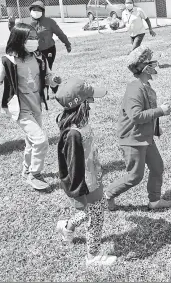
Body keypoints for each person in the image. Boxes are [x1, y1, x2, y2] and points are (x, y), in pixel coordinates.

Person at [0, 23, 61, 190]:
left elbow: (47, 76)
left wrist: (53, 80)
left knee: (32, 141)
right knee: (40, 140)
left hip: (36, 105)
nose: (34, 41)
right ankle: (35, 174)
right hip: (19, 108)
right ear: (18, 40)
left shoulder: (39, 57)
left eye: (35, 38)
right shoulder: (8, 61)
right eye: (30, 38)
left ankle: (26, 170)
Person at [54, 78, 117, 266]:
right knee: (96, 216)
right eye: (90, 100)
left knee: (95, 210)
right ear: (82, 104)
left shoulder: (82, 124)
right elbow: (72, 166)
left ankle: (68, 226)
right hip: (86, 184)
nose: (92, 104)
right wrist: (79, 192)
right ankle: (93, 256)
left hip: (93, 177)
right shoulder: (73, 133)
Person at [105, 46, 171, 211]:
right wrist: (161, 111)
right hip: (133, 139)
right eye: (152, 62)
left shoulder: (145, 85)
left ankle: (155, 200)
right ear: (145, 67)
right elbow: (136, 116)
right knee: (135, 176)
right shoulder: (135, 88)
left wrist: (155, 128)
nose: (155, 65)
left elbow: (147, 111)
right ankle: (106, 195)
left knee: (157, 167)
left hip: (145, 137)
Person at [8, 1, 72, 97]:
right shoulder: (25, 22)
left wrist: (67, 44)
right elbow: (16, 33)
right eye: (34, 10)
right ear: (30, 11)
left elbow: (60, 33)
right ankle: (38, 90)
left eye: (38, 10)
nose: (36, 12)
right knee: (35, 70)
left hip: (48, 50)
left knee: (47, 69)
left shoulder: (50, 22)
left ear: (43, 11)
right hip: (32, 51)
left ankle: (54, 89)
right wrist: (11, 24)